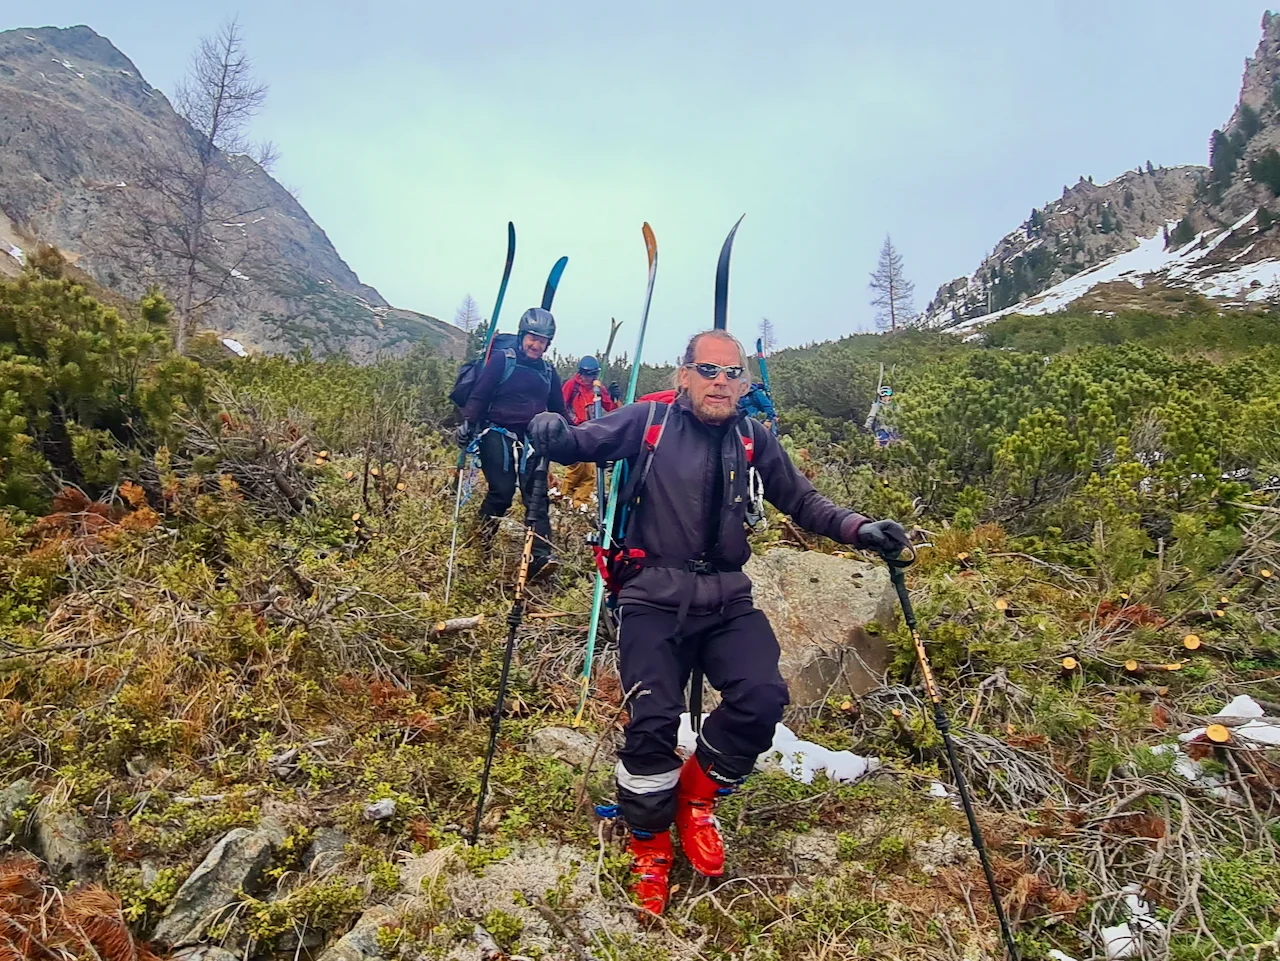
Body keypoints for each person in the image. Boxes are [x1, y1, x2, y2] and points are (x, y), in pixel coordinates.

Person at [528, 329, 910, 915]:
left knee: (761, 699)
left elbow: (803, 501)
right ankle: (650, 843)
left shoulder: (753, 438)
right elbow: (581, 443)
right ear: (683, 374)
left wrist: (862, 530)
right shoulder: (646, 422)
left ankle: (693, 799)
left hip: (728, 598)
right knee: (652, 720)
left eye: (733, 374)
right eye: (709, 370)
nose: (721, 382)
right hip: (652, 596)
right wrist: (551, 434)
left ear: (744, 386)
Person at [456, 307, 567, 579]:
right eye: (532, 338)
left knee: (536, 496)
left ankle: (540, 559)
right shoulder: (502, 361)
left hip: (532, 439)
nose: (535, 344)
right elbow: (480, 396)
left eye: (542, 341)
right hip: (497, 432)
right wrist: (469, 422)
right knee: (502, 492)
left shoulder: (549, 372)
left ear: (548, 344)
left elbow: (559, 410)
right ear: (522, 336)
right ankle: (478, 547)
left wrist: (576, 436)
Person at [559, 356, 617, 507]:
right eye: (585, 374)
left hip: (590, 434)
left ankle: (579, 504)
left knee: (589, 474)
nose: (588, 378)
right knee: (576, 469)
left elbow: (612, 408)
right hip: (573, 431)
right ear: (580, 372)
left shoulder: (597, 389)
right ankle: (562, 498)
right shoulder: (571, 386)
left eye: (591, 375)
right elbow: (559, 405)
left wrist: (614, 397)